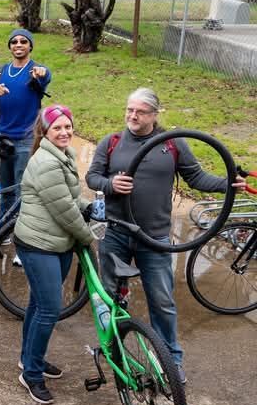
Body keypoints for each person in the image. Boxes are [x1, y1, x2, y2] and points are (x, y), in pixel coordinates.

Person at [85, 87, 245, 382]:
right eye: (129, 110)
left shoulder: (172, 144)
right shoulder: (113, 142)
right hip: (116, 232)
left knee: (162, 301)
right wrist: (110, 185)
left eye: (140, 111)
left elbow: (196, 177)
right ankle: (114, 347)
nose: (132, 116)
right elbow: (92, 176)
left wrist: (226, 184)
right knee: (110, 294)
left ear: (155, 115)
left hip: (154, 236)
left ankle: (171, 361)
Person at [13, 104, 94, 404]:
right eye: (57, 127)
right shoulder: (46, 162)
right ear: (45, 132)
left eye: (67, 126)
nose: (64, 132)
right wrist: (87, 239)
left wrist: (89, 207)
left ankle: (29, 358)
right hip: (38, 245)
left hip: (57, 243)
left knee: (38, 305)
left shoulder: (65, 155)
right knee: (49, 309)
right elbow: (65, 213)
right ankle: (31, 374)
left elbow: (70, 197)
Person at [0, 29, 51, 213]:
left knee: (22, 188)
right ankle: (3, 225)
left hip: (26, 140)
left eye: (23, 41)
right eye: (14, 42)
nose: (18, 44)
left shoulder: (36, 71)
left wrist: (42, 74)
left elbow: (45, 76)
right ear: (10, 46)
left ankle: (20, 227)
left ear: (30, 46)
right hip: (2, 138)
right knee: (4, 186)